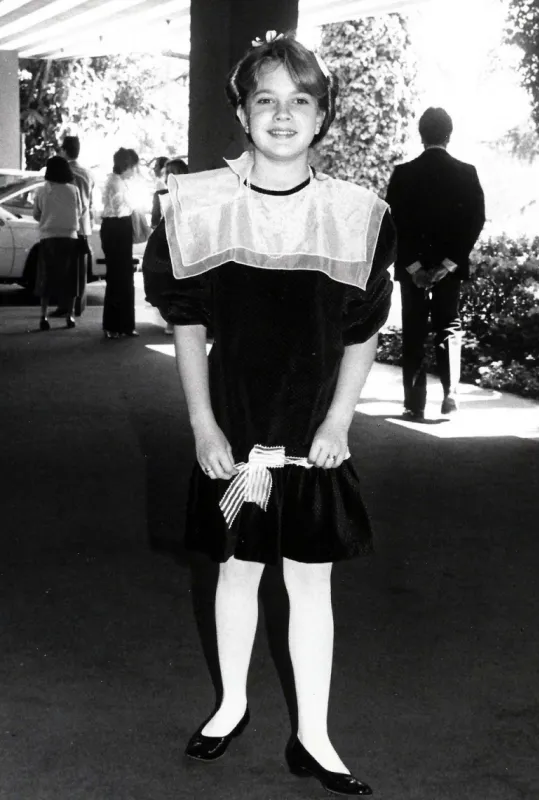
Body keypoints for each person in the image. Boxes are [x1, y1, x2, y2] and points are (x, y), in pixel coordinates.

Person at [144, 32, 395, 797]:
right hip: (235, 431)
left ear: (321, 117)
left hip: (313, 436)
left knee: (310, 580)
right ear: (242, 112)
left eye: (300, 101)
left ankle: (313, 735)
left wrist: (338, 423)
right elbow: (188, 325)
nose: (282, 115)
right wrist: (202, 425)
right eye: (266, 100)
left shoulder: (355, 213)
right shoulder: (200, 204)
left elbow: (361, 330)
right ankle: (231, 705)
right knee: (236, 567)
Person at [385, 107, 486, 420]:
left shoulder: (403, 174)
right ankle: (450, 395)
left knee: (414, 329)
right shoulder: (466, 172)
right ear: (449, 135)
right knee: (449, 325)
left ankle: (414, 403)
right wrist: (448, 264)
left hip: (412, 269)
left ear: (421, 135)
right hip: (449, 269)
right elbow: (475, 221)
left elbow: (393, 224)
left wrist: (414, 268)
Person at [33, 155, 82, 331]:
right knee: (70, 279)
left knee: (46, 278)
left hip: (48, 238)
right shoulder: (73, 190)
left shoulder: (41, 190)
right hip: (70, 238)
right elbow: (80, 212)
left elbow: (36, 214)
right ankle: (70, 316)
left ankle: (43, 316)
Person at [51, 135, 95, 318]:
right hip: (84, 226)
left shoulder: (63, 172)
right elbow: (90, 202)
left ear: (64, 150)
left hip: (67, 226)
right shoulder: (88, 173)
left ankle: (64, 306)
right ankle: (79, 306)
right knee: (80, 269)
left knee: (65, 269)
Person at [100, 147, 140, 339]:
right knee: (119, 277)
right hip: (117, 227)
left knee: (121, 277)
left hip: (115, 227)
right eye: (133, 166)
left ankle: (121, 325)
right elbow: (120, 207)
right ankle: (116, 325)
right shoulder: (116, 183)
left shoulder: (117, 181)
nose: (134, 171)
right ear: (127, 165)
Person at [147, 158, 189, 334]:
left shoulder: (161, 195)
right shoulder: (191, 193)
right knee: (181, 282)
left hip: (166, 242)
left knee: (168, 282)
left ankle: (171, 320)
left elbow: (154, 221)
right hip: (183, 242)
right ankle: (178, 320)